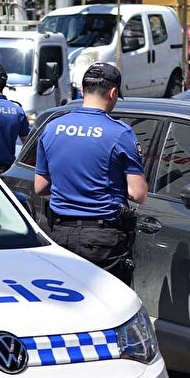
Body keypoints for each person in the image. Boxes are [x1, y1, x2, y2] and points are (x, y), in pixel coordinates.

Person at [34, 62, 146, 284]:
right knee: (107, 307)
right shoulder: (120, 133)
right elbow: (138, 194)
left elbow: (40, 187)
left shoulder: (52, 127)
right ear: (113, 92)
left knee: (65, 303)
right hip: (102, 241)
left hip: (59, 235)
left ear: (83, 90)